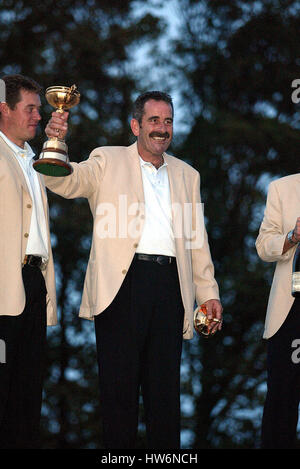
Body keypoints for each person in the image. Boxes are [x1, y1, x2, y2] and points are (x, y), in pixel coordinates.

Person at [44, 91, 222, 449]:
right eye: (154, 120)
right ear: (135, 125)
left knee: (165, 397)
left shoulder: (188, 175)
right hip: (121, 289)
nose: (162, 128)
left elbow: (195, 241)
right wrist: (56, 141)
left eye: (168, 121)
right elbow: (64, 181)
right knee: (119, 396)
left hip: (171, 290)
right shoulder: (107, 159)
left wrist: (210, 294)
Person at [0, 74, 57, 449]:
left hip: (34, 284)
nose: (38, 116)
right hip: (3, 288)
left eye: (39, 108)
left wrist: (57, 141)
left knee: (27, 396)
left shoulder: (34, 160)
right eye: (31, 108)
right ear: (4, 109)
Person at [256, 175, 300, 448]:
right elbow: (263, 246)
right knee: (281, 407)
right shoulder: (282, 188)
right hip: (290, 311)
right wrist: (292, 237)